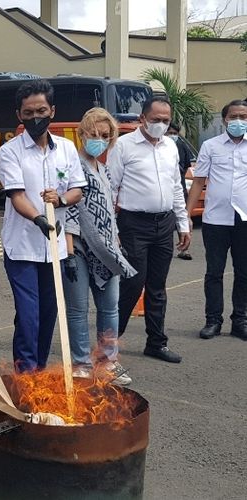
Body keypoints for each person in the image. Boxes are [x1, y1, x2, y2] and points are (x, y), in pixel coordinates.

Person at [0, 79, 86, 373]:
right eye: (29, 112)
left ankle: (39, 372)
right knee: (29, 315)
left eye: (41, 110)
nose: (36, 117)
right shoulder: (11, 151)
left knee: (48, 315)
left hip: (55, 249)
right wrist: (38, 218)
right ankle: (25, 379)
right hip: (21, 247)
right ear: (19, 115)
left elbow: (77, 190)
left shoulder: (67, 149)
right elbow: (17, 196)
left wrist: (59, 200)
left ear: (52, 111)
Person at [107, 96, 191, 363]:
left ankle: (156, 342)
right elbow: (110, 188)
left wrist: (183, 223)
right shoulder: (124, 146)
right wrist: (111, 229)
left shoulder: (170, 147)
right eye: (156, 120)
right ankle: (109, 345)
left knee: (157, 286)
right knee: (132, 283)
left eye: (166, 121)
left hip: (164, 223)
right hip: (134, 224)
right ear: (142, 118)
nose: (161, 125)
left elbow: (176, 187)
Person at [62, 108, 137, 385]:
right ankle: (80, 363)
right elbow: (68, 208)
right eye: (93, 134)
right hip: (79, 248)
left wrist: (114, 239)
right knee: (77, 309)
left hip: (106, 251)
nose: (99, 139)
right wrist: (68, 250)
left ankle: (108, 362)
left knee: (109, 308)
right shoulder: (73, 165)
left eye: (105, 136)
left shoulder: (102, 168)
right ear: (82, 134)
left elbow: (107, 209)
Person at [186, 99, 247, 340]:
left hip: (244, 218)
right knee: (214, 272)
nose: (239, 121)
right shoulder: (210, 146)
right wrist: (187, 216)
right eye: (234, 117)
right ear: (224, 120)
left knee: (244, 273)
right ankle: (213, 320)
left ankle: (240, 320)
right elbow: (199, 181)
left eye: (243, 116)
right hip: (216, 219)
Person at [167, 122, 194, 260]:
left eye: (175, 133)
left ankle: (184, 248)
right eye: (170, 133)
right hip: (164, 190)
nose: (172, 136)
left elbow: (187, 165)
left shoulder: (182, 146)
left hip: (179, 186)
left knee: (182, 218)